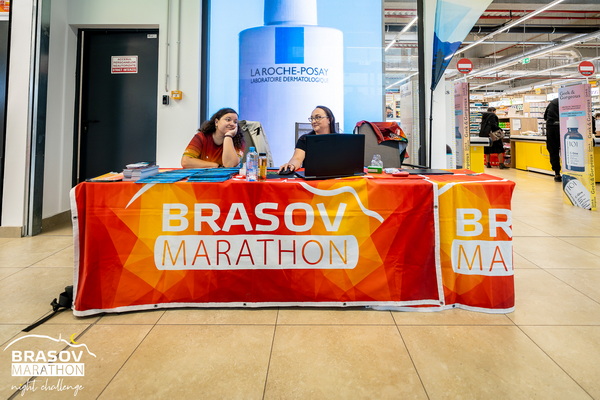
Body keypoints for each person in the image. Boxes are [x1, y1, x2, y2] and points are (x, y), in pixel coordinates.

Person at [278, 105, 337, 173]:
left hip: (336, 177)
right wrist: (292, 165)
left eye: (318, 117)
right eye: (312, 118)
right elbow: (297, 159)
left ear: (329, 119)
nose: (313, 121)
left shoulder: (340, 141)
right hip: (311, 177)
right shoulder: (304, 139)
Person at [181, 108, 245, 169]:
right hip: (202, 175)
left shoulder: (238, 141)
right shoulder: (201, 137)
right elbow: (185, 162)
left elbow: (230, 165)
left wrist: (228, 136)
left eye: (235, 122)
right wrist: (216, 166)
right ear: (216, 122)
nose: (232, 124)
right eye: (228, 120)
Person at [543, 98, 561, 182]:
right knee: (567, 150)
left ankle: (557, 173)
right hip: (564, 128)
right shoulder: (569, 101)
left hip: (551, 129)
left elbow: (545, 117)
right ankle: (570, 172)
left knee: (553, 151)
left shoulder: (553, 102)